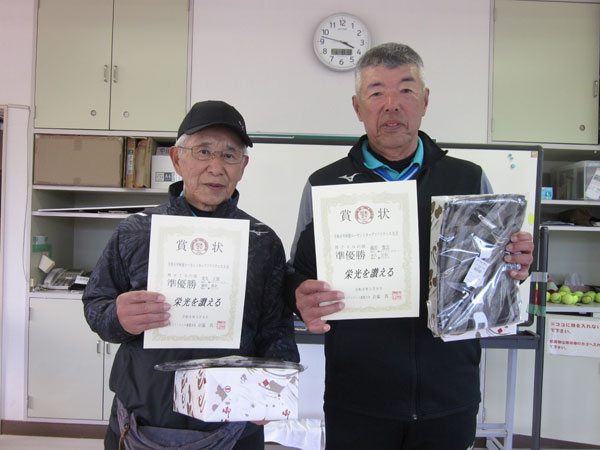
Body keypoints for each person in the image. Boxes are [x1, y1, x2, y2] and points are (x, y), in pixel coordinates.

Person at [287, 43, 534, 450]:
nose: (391, 104)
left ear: (425, 100)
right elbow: (298, 274)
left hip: (449, 395)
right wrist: (299, 295)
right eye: (376, 92)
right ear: (357, 106)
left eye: (405, 89)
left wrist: (515, 264)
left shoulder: (467, 180)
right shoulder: (325, 184)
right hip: (357, 397)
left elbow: (490, 273)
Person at [83, 100, 300, 450]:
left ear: (243, 167)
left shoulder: (261, 241)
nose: (216, 167)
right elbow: (96, 305)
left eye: (229, 155)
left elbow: (276, 326)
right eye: (203, 152)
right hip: (143, 419)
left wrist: (275, 381)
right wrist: (117, 317)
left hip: (234, 420)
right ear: (177, 159)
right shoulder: (135, 231)